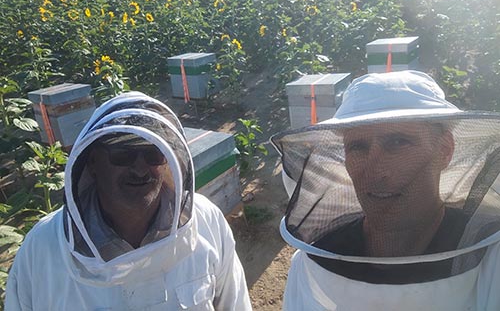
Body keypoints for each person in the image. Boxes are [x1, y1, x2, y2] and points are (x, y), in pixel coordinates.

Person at [272, 71, 500, 310]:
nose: (374, 172)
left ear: (444, 150)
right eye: (358, 146)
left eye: (398, 142)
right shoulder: (315, 260)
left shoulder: (489, 256)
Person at [5, 91, 252, 310]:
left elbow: (235, 304)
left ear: (169, 160)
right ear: (92, 162)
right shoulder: (43, 247)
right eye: (123, 154)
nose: (140, 169)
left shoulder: (207, 220)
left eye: (153, 154)